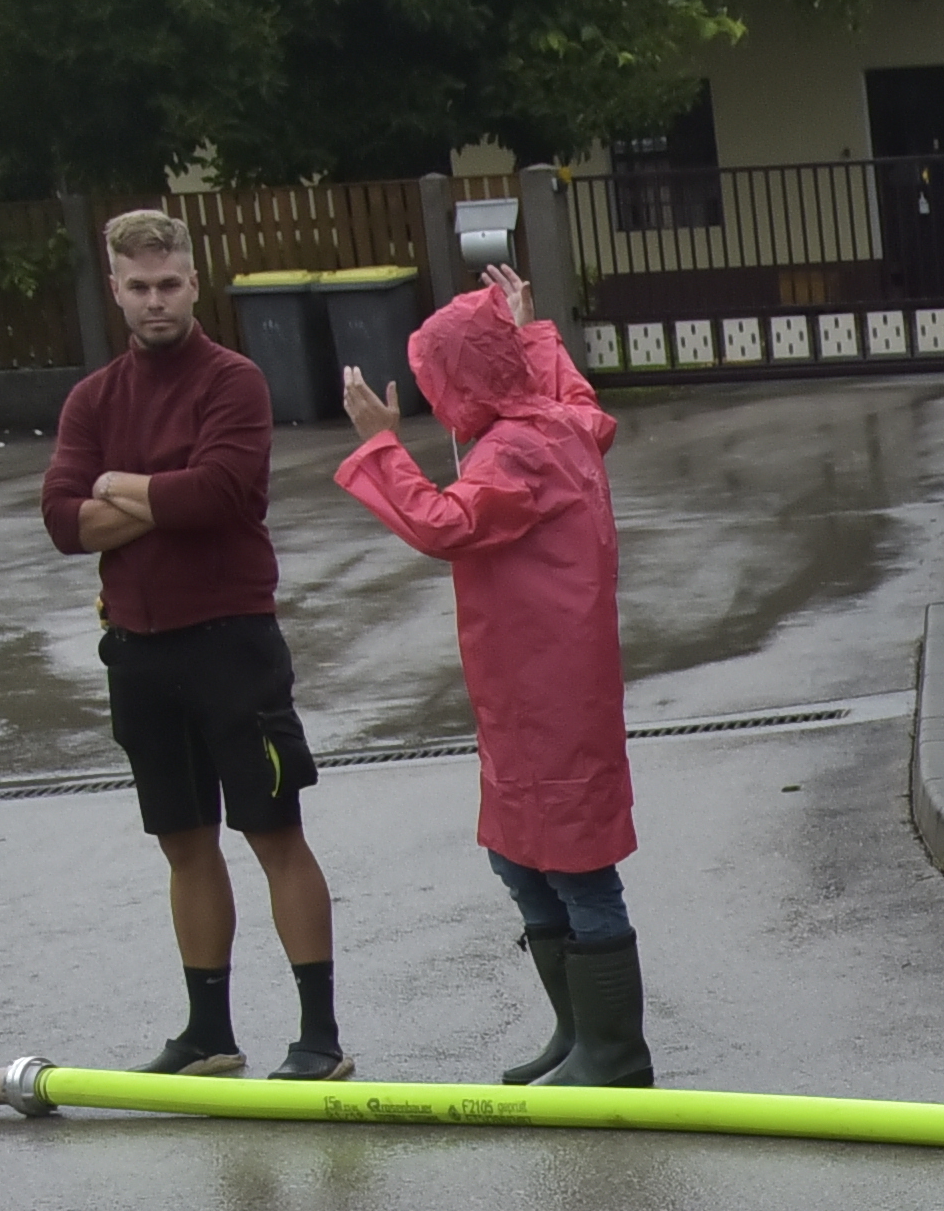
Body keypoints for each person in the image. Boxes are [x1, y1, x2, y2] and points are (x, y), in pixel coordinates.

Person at [332, 266, 652, 1086]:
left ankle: (613, 1055)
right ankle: (580, 1035)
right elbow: (575, 397)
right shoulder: (558, 427)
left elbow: (444, 523)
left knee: (575, 865)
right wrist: (529, 332)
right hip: (528, 691)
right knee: (520, 854)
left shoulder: (513, 452)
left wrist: (380, 445)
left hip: (547, 694)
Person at [40, 209, 340, 1077]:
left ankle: (319, 1037)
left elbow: (221, 494)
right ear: (115, 289)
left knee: (273, 832)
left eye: (168, 284)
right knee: (184, 841)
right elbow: (62, 522)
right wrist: (161, 497)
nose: (155, 301)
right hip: (138, 650)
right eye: (138, 287)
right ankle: (209, 1033)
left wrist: (117, 488)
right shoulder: (93, 399)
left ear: (193, 283)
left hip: (232, 644)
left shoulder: (233, 381)